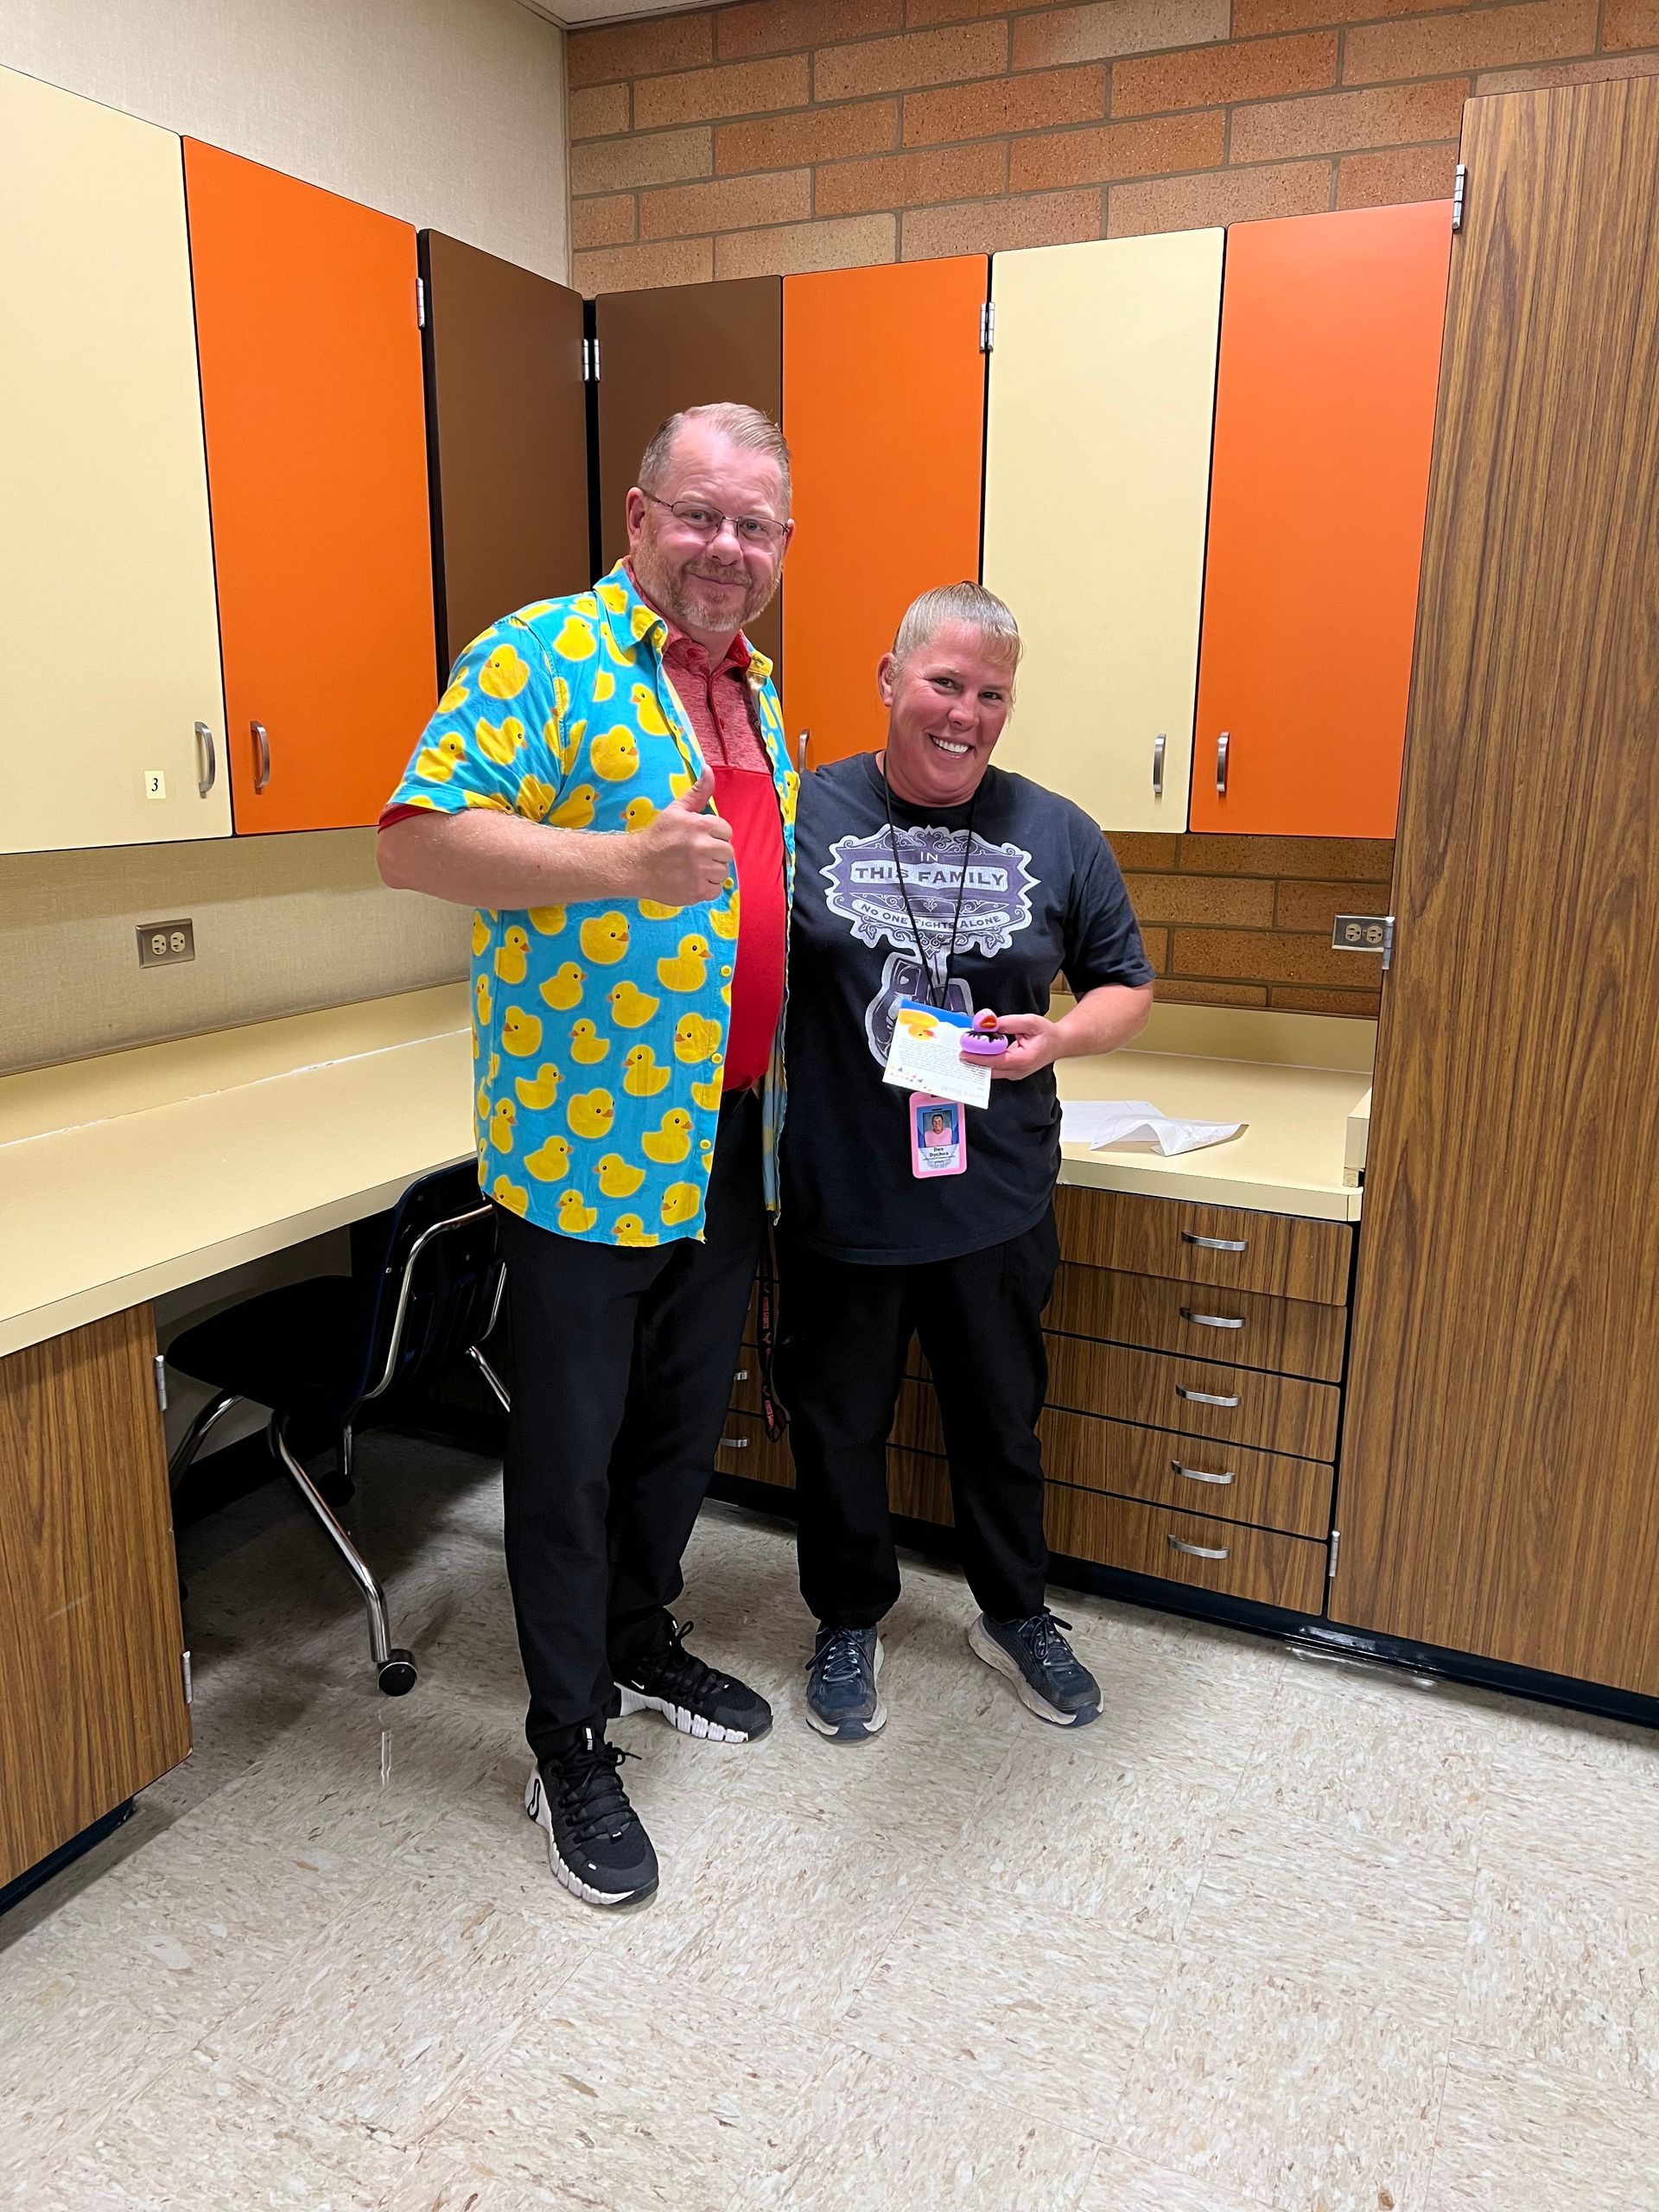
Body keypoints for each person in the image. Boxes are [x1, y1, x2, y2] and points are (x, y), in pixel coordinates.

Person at [378, 403, 798, 1905]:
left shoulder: (758, 696)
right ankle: (567, 1741)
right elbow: (414, 841)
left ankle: (638, 1637)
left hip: (726, 1146)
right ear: (638, 518)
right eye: (700, 516)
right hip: (582, 1157)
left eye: (755, 527)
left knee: (681, 1436)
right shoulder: (539, 657)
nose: (725, 549)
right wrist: (618, 864)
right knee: (567, 1461)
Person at [779, 582, 1154, 1742]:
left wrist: (1061, 1036)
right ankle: (848, 1620)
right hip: (844, 1192)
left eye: (992, 694)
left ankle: (1015, 1612)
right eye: (945, 683)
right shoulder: (802, 812)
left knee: (1001, 1420)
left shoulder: (1057, 830)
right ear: (889, 679)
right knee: (840, 1425)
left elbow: (1124, 985)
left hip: (992, 1192)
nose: (967, 713)